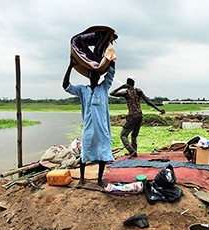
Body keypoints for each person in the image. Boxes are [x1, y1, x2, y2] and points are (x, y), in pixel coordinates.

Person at [62, 57, 115, 187]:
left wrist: (111, 60)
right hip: (88, 127)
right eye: (92, 74)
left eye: (97, 74)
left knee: (103, 151)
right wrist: (70, 67)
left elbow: (111, 74)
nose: (95, 77)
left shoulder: (104, 87)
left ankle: (99, 179)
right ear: (89, 76)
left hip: (101, 127)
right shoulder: (82, 90)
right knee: (85, 152)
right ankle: (81, 179)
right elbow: (66, 86)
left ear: (99, 76)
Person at [110, 77, 165, 157]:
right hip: (140, 115)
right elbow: (148, 101)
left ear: (127, 84)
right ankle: (134, 151)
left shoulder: (126, 93)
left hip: (132, 115)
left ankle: (131, 150)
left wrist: (121, 87)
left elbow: (112, 93)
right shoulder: (138, 91)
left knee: (123, 135)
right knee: (134, 135)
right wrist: (158, 109)